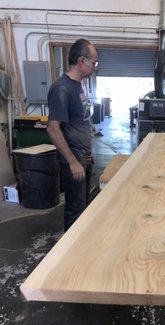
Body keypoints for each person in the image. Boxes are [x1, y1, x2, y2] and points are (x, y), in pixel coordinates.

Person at [47, 39, 98, 231]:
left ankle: (80, 244)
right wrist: (73, 161)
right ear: (81, 61)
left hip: (82, 156)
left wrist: (87, 153)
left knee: (83, 205)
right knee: (75, 209)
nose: (94, 66)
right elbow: (53, 128)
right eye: (93, 62)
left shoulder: (77, 86)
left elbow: (80, 123)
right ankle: (71, 255)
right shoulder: (62, 88)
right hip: (74, 161)